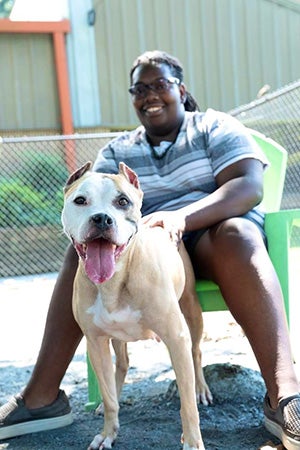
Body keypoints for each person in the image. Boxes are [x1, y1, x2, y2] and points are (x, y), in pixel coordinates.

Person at [1, 50, 299, 449]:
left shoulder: (214, 126)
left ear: (181, 88)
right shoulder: (118, 151)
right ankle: (41, 396)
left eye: (159, 84)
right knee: (85, 247)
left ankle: (284, 395)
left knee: (238, 235)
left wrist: (181, 216)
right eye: (139, 89)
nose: (149, 95)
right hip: (144, 249)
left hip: (213, 238)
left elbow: (247, 187)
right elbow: (92, 203)